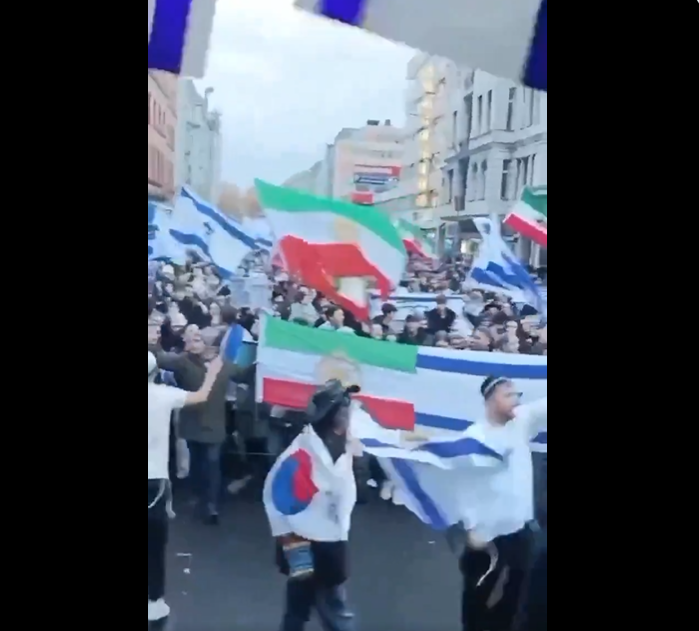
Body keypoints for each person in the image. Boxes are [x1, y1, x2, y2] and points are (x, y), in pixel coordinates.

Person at [263, 380, 359, 631]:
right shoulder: (301, 455)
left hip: (325, 540)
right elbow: (277, 497)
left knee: (315, 604)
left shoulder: (342, 443)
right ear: (333, 416)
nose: (350, 416)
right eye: (345, 411)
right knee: (315, 605)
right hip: (302, 540)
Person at [457, 376, 547, 631]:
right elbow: (463, 485)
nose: (515, 400)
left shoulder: (522, 422)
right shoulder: (475, 437)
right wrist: (472, 524)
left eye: (517, 395)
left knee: (520, 585)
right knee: (478, 591)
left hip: (520, 528)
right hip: (486, 533)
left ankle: (499, 625)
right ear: (490, 399)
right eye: (508, 395)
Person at [148, 352, 223, 624]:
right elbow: (202, 395)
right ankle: (153, 603)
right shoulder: (165, 394)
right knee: (154, 547)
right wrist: (213, 371)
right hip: (154, 483)